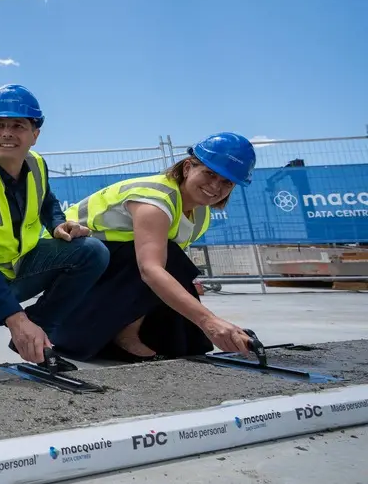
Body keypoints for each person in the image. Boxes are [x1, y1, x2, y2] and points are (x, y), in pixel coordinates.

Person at [0, 85, 109, 377]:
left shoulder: (36, 164)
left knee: (92, 252)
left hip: (17, 262)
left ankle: (36, 335)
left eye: (18, 126)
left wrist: (57, 223)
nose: (6, 133)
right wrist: (15, 317)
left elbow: (47, 202)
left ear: (34, 135)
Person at [51, 132, 257, 362]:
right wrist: (208, 321)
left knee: (175, 281)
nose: (215, 186)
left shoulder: (200, 215)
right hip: (66, 276)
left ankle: (133, 334)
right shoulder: (154, 200)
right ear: (188, 167)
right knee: (160, 261)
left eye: (226, 182)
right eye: (209, 174)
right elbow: (150, 270)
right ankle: (118, 336)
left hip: (96, 274)